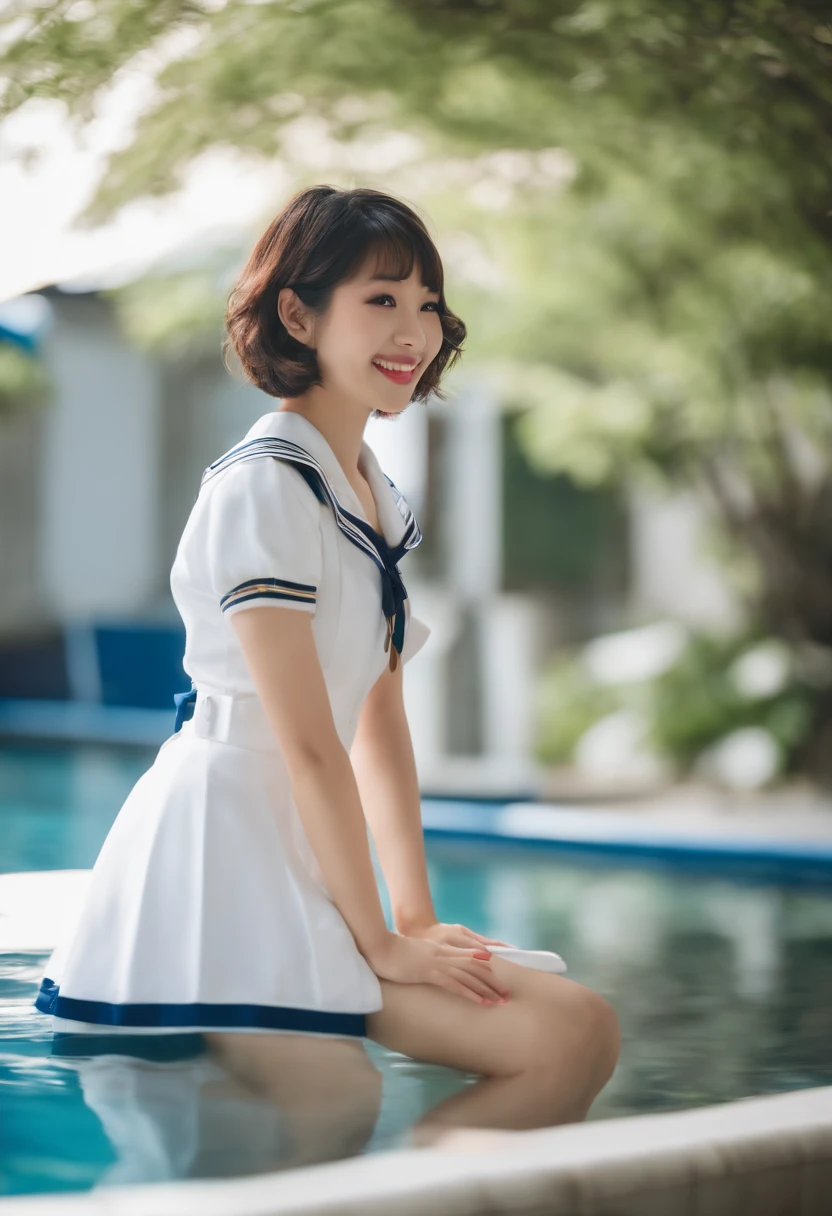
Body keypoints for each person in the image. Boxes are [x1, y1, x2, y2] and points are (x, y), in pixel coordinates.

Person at [34, 185, 620, 1146]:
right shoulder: (264, 486)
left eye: (426, 302)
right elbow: (310, 747)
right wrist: (380, 939)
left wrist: (417, 917)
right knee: (334, 1102)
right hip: (226, 850)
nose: (415, 330)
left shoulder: (371, 491)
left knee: (576, 1031)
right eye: (381, 300)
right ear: (298, 314)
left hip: (312, 847)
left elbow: (377, 715)